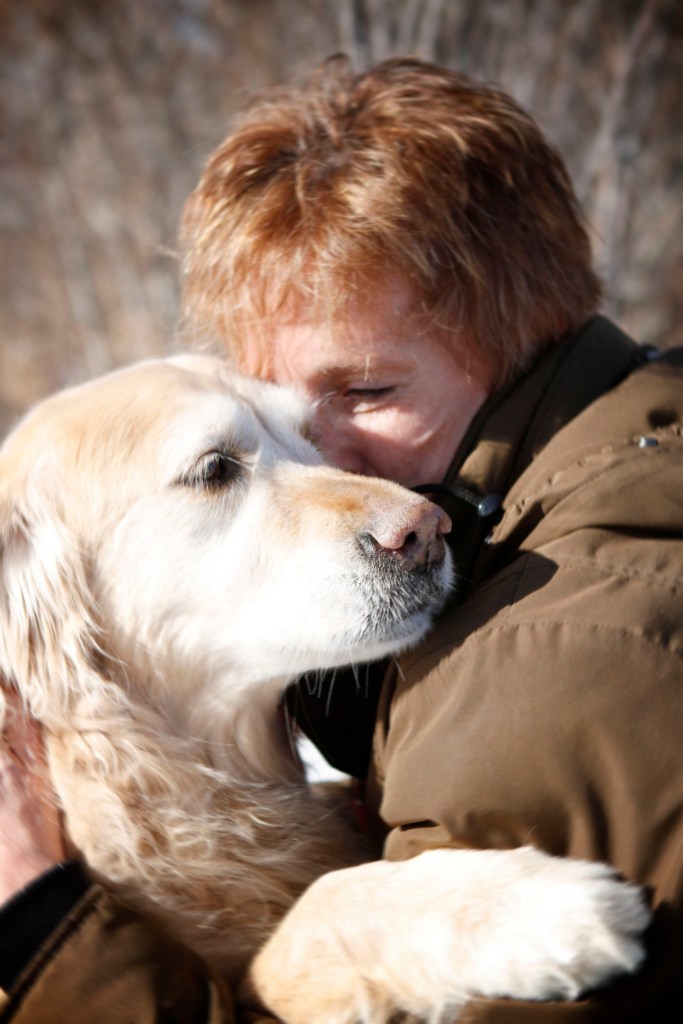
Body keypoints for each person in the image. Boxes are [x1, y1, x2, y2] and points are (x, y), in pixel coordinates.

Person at [2, 55, 682, 1022]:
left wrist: (40, 929)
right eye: (228, 464)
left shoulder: (545, 655)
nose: (367, 496)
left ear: (527, 334)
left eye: (367, 391)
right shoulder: (639, 424)